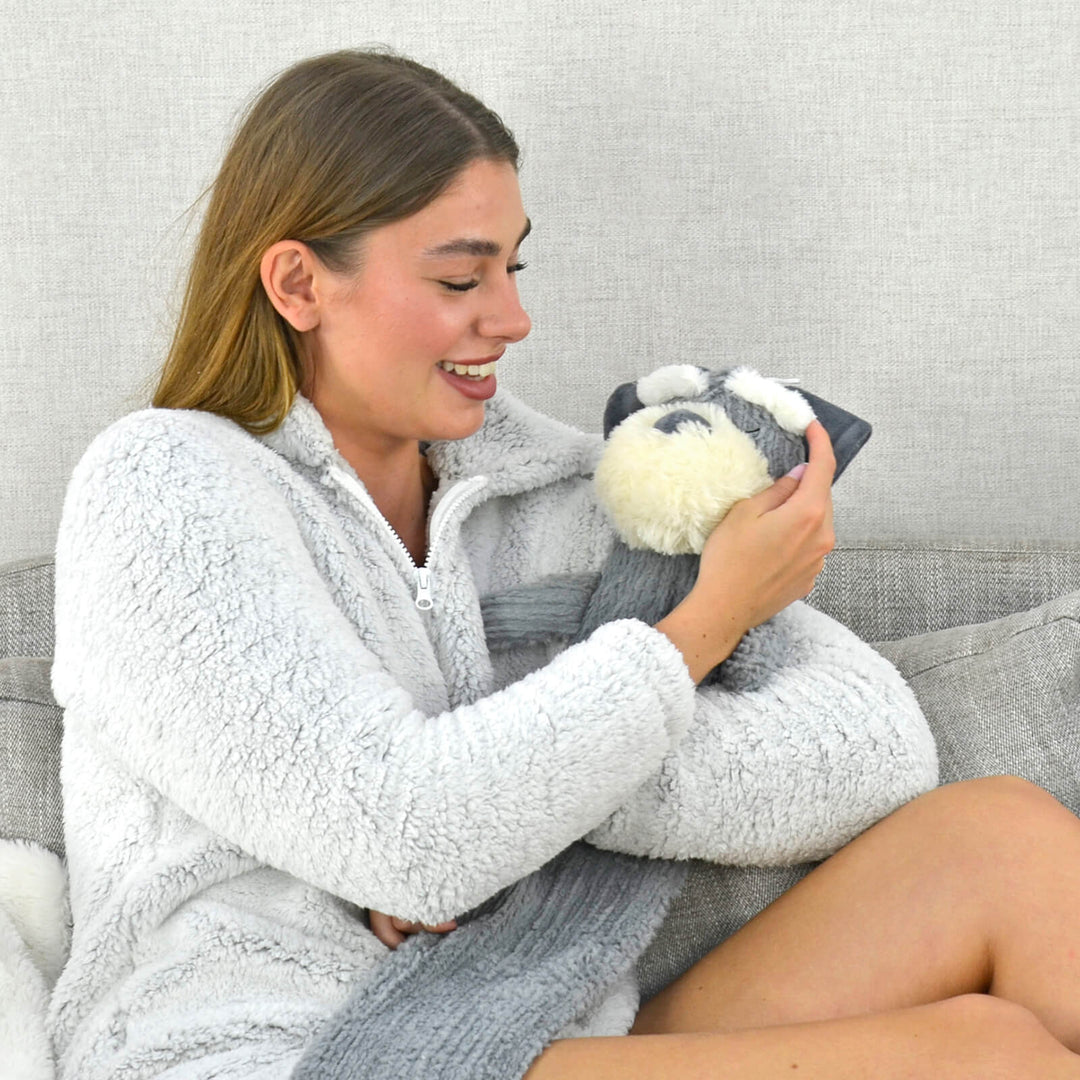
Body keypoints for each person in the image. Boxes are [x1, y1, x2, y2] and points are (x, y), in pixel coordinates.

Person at [47, 47, 1080, 1080]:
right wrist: (698, 629)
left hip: (511, 1017)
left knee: (1005, 843)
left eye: (512, 267)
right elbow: (408, 831)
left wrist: (514, 813)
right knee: (985, 1057)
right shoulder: (162, 490)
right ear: (298, 283)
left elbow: (876, 748)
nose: (511, 318)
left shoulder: (554, 491)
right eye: (460, 276)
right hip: (287, 1054)